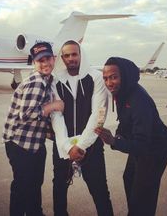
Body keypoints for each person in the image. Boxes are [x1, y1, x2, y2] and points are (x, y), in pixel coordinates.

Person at [95, 57, 167, 216]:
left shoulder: (138, 100)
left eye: (114, 77)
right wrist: (118, 134)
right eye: (106, 78)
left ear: (125, 75)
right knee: (129, 178)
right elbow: (125, 121)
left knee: (143, 193)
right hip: (141, 145)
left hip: (155, 149)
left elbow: (141, 145)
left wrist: (114, 141)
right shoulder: (123, 92)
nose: (109, 83)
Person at [52, 40, 114, 216]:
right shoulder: (56, 81)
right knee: (59, 190)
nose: (71, 58)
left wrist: (81, 145)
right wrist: (67, 146)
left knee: (100, 191)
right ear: (62, 58)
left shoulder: (95, 78)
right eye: (66, 55)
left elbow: (99, 115)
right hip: (64, 146)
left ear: (81, 54)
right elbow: (56, 116)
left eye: (74, 54)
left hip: (91, 147)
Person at [3, 42, 64, 216]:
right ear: (34, 64)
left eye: (48, 59)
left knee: (33, 183)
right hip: (20, 144)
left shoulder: (47, 80)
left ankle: (34, 212)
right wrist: (54, 106)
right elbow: (26, 115)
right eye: (40, 61)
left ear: (54, 59)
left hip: (34, 143)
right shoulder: (36, 82)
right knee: (23, 186)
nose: (45, 63)